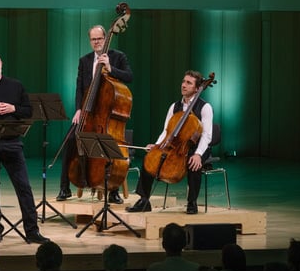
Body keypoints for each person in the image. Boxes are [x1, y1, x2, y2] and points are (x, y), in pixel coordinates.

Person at [0, 52, 48, 244]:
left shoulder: (16, 85)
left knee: (24, 187)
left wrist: (13, 109)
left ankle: (32, 230)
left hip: (12, 143)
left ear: (1, 64)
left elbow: (28, 111)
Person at [59, 24, 134, 203]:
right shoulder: (84, 60)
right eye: (93, 39)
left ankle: (113, 190)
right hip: (88, 113)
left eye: (99, 38)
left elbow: (129, 77)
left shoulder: (117, 57)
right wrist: (78, 108)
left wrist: (109, 67)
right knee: (70, 140)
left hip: (108, 116)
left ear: (105, 38)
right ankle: (64, 188)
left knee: (109, 144)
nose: (96, 42)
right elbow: (80, 87)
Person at [127, 70, 214, 215]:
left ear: (197, 88)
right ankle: (144, 200)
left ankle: (192, 202)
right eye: (183, 81)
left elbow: (206, 135)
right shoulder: (174, 107)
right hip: (176, 145)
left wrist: (199, 154)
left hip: (197, 146)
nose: (184, 85)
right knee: (150, 159)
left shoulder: (205, 107)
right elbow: (166, 131)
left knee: (193, 163)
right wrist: (157, 146)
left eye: (189, 83)